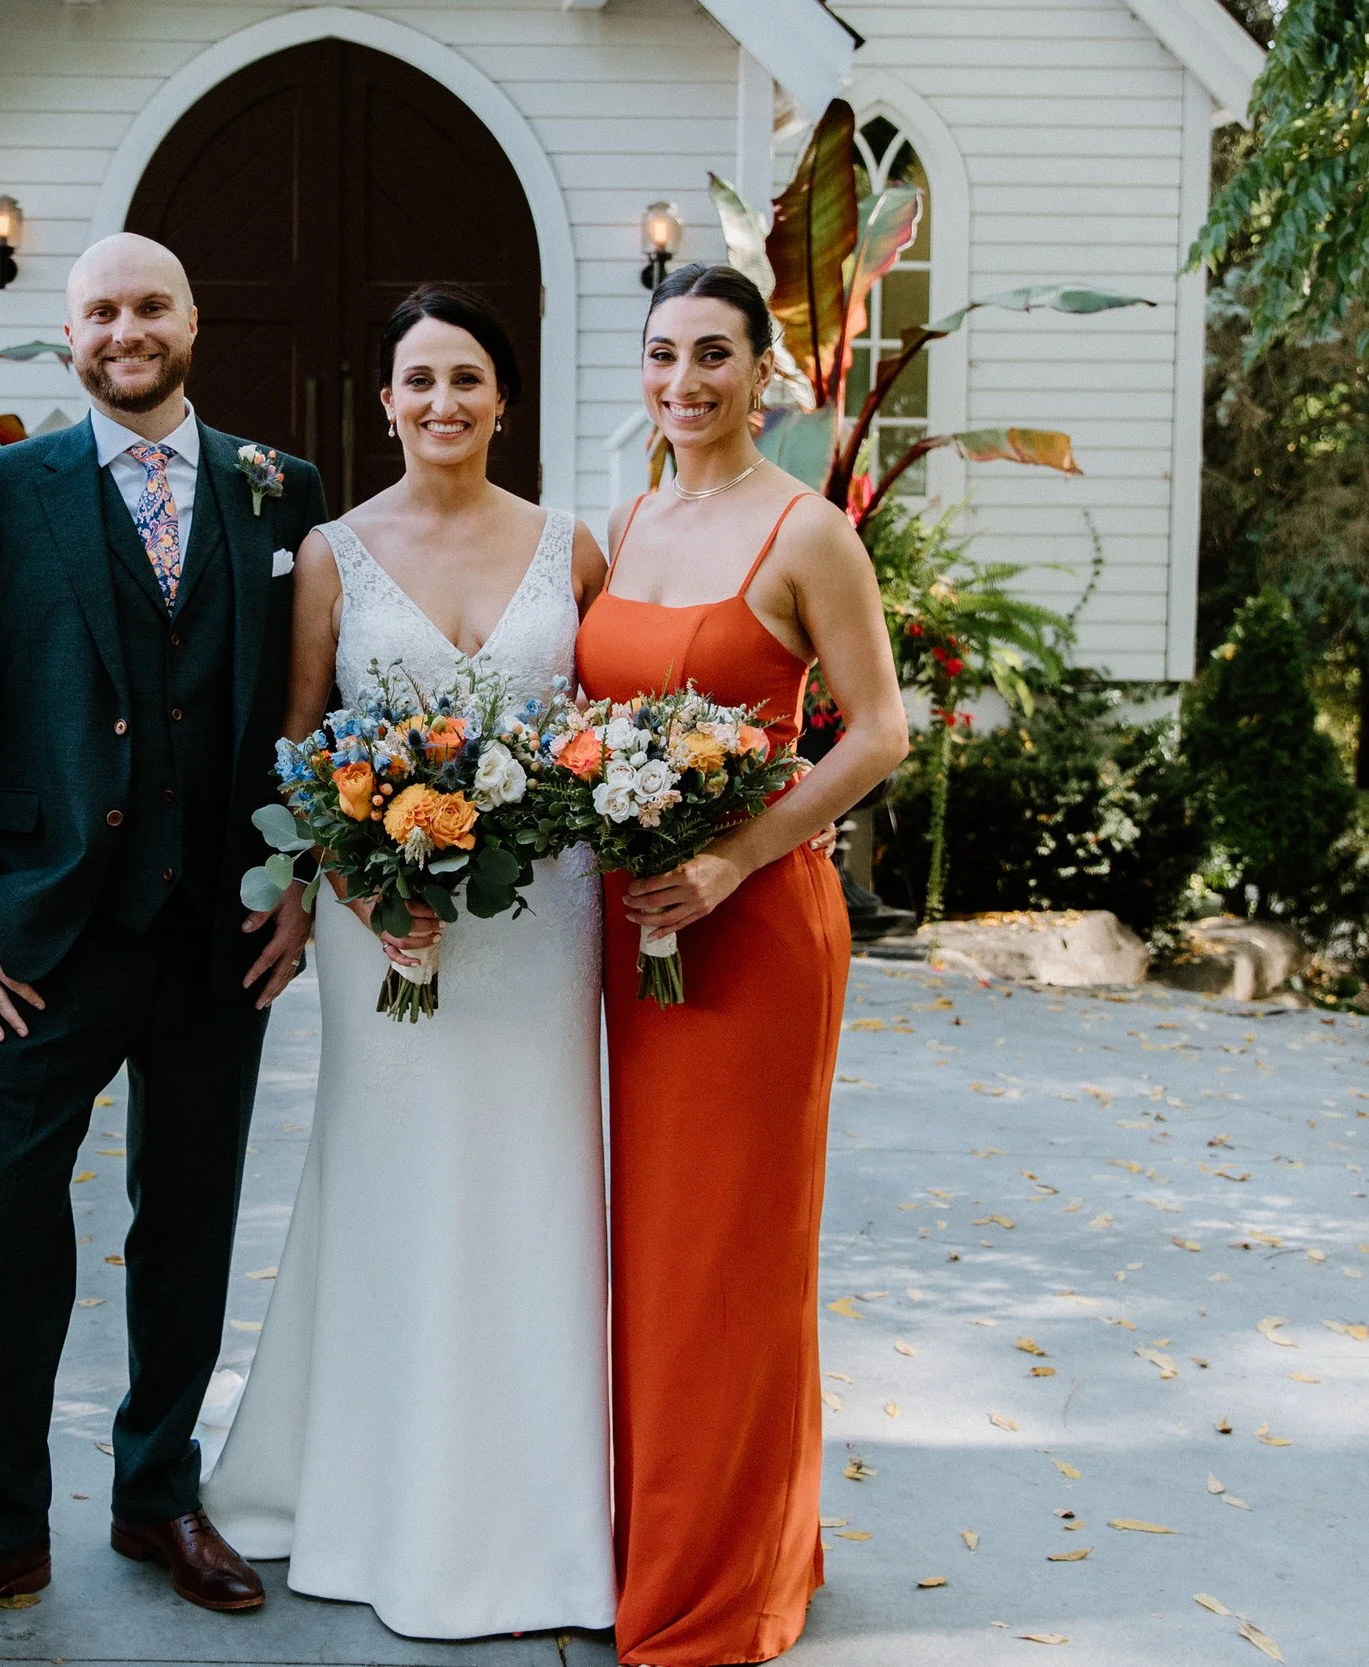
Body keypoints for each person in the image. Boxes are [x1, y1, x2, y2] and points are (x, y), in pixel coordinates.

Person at [0, 233, 327, 1653]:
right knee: (10, 1229)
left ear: (191, 321)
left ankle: (157, 1492)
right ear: (67, 336)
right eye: (100, 311)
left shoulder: (281, 488)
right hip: (37, 937)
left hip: (221, 933)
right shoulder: (6, 494)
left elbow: (309, 723)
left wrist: (301, 882)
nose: (125, 329)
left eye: (149, 305)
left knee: (189, 1221)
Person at [200, 284, 619, 1639]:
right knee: (393, 1183)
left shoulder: (577, 548)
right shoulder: (333, 550)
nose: (442, 402)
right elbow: (303, 744)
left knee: (531, 1183)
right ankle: (375, 1493)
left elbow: (600, 742)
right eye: (418, 381)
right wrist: (358, 888)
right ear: (384, 402)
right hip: (385, 923)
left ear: (505, 399)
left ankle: (531, 1508)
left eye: (467, 379)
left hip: (539, 924)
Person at [576, 263, 908, 1667]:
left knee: (729, 1253)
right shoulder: (629, 520)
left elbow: (882, 730)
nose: (686, 380)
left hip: (754, 926)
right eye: (663, 353)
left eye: (715, 354)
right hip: (628, 926)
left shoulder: (807, 530)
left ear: (764, 373)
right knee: (646, 1251)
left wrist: (730, 859)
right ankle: (656, 1534)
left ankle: (727, 1578)